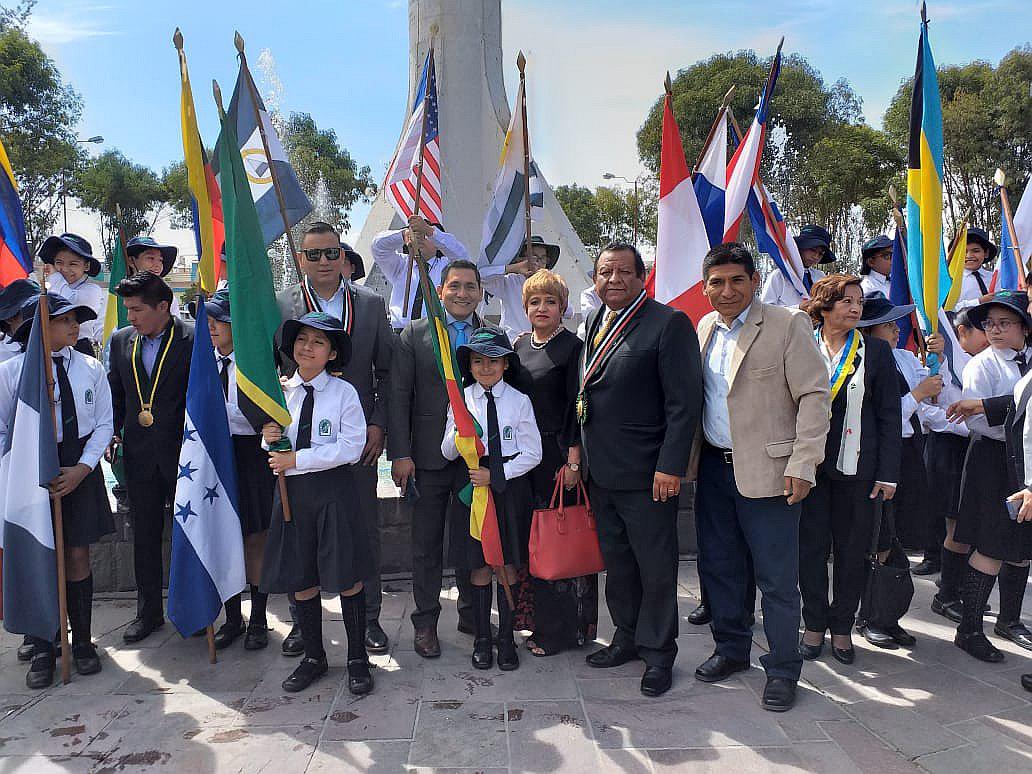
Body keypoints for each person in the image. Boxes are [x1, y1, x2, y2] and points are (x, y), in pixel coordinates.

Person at [690, 243, 829, 712]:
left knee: (776, 580)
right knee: (721, 568)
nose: (726, 290)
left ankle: (784, 668)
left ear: (754, 281)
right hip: (714, 469)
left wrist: (804, 464)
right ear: (705, 287)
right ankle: (731, 650)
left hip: (772, 473)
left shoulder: (787, 324)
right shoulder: (704, 328)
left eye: (736, 280)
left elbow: (814, 397)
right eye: (716, 282)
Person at [579, 242, 702, 698]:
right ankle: (626, 637)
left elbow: (683, 404)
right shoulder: (596, 320)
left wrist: (670, 466)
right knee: (619, 566)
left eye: (624, 272)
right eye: (605, 272)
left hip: (649, 475)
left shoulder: (668, 324)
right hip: (601, 472)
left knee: (655, 569)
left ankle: (658, 654)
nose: (614, 280)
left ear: (641, 276)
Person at [276, 221, 394, 657]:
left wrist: (379, 424)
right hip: (299, 440)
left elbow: (387, 372)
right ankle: (302, 623)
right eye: (314, 254)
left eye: (331, 252)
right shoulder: (282, 304)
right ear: (301, 259)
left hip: (355, 439)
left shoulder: (371, 304)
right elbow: (271, 370)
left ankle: (370, 618)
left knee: (362, 527)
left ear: (343, 256)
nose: (324, 261)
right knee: (297, 532)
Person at [0, 293, 115, 687]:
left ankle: (81, 641)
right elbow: (3, 429)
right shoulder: (12, 372)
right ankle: (43, 644)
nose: (74, 326)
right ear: (39, 327)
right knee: (38, 556)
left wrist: (83, 468)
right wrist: (20, 473)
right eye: (63, 320)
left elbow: (103, 423)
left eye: (75, 319)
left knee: (77, 553)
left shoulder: (90, 367)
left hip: (77, 465)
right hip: (29, 470)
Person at [260, 312, 373, 695]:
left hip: (333, 495)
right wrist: (269, 436)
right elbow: (274, 448)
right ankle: (313, 657)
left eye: (318, 342)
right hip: (292, 496)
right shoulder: (280, 392)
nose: (307, 347)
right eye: (302, 339)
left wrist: (298, 459)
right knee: (301, 577)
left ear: (332, 353)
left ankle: (357, 658)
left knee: (347, 576)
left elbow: (351, 447)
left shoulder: (344, 393)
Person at [797, 275, 901, 666]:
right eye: (847, 301)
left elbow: (889, 415)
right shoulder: (801, 344)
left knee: (853, 550)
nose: (856, 308)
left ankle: (842, 626)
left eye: (859, 302)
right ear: (824, 306)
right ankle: (813, 623)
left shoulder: (876, 350)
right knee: (809, 549)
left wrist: (888, 473)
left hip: (859, 469)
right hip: (808, 467)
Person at [388, 259, 484, 658]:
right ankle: (425, 621)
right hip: (427, 459)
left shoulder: (490, 335)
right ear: (441, 291)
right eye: (454, 286)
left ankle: (471, 613)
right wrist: (401, 454)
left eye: (470, 286)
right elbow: (398, 396)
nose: (462, 293)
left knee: (470, 541)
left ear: (480, 292)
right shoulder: (415, 334)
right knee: (426, 545)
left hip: (473, 462)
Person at [443, 326, 542, 670]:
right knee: (480, 565)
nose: (485, 368)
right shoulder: (461, 399)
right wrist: (459, 433)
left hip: (508, 489)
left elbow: (533, 453)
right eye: (478, 361)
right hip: (473, 489)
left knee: (507, 564)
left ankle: (506, 640)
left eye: (493, 361)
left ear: (505, 365)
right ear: (469, 365)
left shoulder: (519, 401)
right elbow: (446, 451)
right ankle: (483, 638)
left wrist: (498, 475)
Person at [854, 292, 947, 648]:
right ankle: (868, 615)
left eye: (896, 324)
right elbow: (885, 413)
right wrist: (918, 394)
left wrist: (938, 362)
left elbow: (934, 393)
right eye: (887, 325)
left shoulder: (905, 358)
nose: (896, 330)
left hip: (909, 451)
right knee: (878, 535)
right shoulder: (861, 362)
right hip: (878, 454)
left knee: (898, 536)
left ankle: (887, 613)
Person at [511, 269, 597, 656]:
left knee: (560, 541)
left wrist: (574, 459)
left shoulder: (573, 348)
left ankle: (565, 630)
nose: (541, 308)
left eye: (550, 301)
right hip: (525, 457)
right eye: (534, 301)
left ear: (563, 307)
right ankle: (539, 622)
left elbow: (579, 406)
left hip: (559, 456)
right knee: (534, 543)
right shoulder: (518, 345)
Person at [107, 272, 194, 643]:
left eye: (137, 309)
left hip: (184, 455)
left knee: (190, 533)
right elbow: (116, 394)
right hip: (139, 455)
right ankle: (148, 612)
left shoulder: (192, 339)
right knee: (144, 535)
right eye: (127, 309)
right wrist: (113, 432)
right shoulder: (121, 340)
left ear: (163, 306)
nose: (131, 317)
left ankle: (195, 608)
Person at [186, 289, 275, 651]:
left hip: (251, 453)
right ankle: (232, 616)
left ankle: (259, 618)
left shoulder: (257, 364)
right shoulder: (202, 363)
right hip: (214, 454)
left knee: (255, 536)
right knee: (223, 533)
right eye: (207, 321)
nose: (212, 327)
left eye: (219, 321)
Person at [948, 290, 1032, 661]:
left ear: (1024, 327)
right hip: (993, 460)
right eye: (989, 324)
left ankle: (1009, 620)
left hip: (1026, 462)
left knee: (1022, 546)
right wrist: (996, 411)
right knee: (991, 545)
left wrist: (988, 406)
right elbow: (978, 422)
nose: (995, 330)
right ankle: (969, 629)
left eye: (1004, 323)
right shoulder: (982, 365)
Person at [930, 312, 989, 617]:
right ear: (961, 332)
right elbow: (934, 412)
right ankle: (946, 594)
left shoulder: (984, 361)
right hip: (950, 447)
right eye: (984, 328)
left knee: (971, 524)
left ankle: (962, 586)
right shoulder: (941, 362)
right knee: (957, 526)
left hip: (972, 446)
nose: (991, 334)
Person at [371, 215, 471, 331]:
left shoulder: (446, 266)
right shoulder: (400, 264)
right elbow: (377, 247)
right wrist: (404, 235)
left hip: (435, 331)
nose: (421, 239)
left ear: (437, 245)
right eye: (417, 235)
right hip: (400, 331)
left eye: (425, 236)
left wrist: (429, 231)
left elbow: (462, 256)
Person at [480, 235, 564, 341]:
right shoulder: (510, 281)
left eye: (543, 258)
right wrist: (514, 268)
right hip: (513, 342)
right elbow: (481, 277)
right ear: (522, 259)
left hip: (543, 342)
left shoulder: (552, 284)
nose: (538, 263)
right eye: (534, 257)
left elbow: (569, 311)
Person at [38, 233, 104, 353]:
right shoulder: (51, 286)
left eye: (73, 264)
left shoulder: (92, 290)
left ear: (86, 266)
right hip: (50, 348)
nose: (65, 269)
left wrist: (55, 276)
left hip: (79, 348)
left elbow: (67, 303)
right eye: (59, 263)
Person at [759, 224, 835, 308]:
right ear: (800, 248)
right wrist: (798, 308)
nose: (816, 256)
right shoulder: (779, 276)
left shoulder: (820, 277)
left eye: (820, 254)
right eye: (812, 250)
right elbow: (765, 308)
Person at [125, 236, 181, 317]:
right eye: (150, 258)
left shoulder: (166, 297)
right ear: (131, 261)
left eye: (160, 260)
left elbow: (174, 323)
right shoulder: (117, 295)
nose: (157, 265)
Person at [953, 228, 997, 312]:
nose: (969, 256)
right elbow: (947, 309)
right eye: (964, 251)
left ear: (986, 253)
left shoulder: (994, 278)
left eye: (976, 251)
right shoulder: (952, 281)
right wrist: (978, 302)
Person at [0, 278, 40, 364]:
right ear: (9, 318)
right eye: (30, 311)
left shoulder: (56, 347)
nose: (38, 317)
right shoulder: (2, 357)